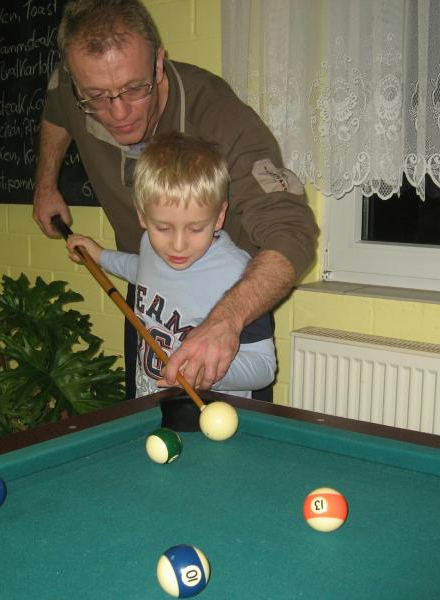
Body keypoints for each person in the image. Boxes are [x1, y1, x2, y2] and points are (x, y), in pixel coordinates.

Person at [34, 0, 317, 400]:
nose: (118, 112)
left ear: (158, 64)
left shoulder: (222, 118)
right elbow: (57, 108)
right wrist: (45, 184)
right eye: (96, 96)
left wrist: (226, 320)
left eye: (134, 89)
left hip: (229, 306)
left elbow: (292, 230)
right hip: (152, 297)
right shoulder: (71, 86)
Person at [66, 133, 276, 399]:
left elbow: (264, 368)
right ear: (142, 214)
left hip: (206, 412)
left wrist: (204, 373)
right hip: (150, 404)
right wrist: (101, 256)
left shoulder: (241, 276)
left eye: (195, 229)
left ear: (219, 216)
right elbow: (142, 270)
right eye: (163, 228)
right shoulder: (149, 244)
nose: (177, 246)